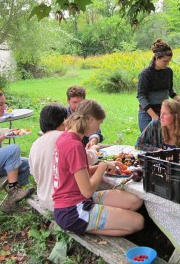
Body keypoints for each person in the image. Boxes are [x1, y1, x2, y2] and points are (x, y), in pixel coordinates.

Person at [53, 99, 144, 236]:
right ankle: (84, 226)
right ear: (90, 119)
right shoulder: (74, 146)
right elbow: (87, 190)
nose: (98, 129)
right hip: (72, 210)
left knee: (135, 201)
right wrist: (101, 166)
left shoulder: (66, 137)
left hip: (75, 200)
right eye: (99, 123)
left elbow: (77, 174)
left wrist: (107, 165)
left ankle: (92, 221)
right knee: (138, 222)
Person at [29, 103, 103, 211]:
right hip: (63, 202)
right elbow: (87, 159)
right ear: (64, 120)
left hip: (43, 197)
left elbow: (34, 174)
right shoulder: (64, 138)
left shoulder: (35, 144)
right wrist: (94, 150)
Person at [137, 39, 180, 132]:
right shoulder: (145, 74)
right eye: (165, 61)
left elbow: (170, 91)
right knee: (148, 141)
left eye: (169, 61)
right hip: (147, 113)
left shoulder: (168, 72)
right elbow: (141, 96)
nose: (167, 64)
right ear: (157, 57)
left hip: (164, 111)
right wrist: (153, 116)